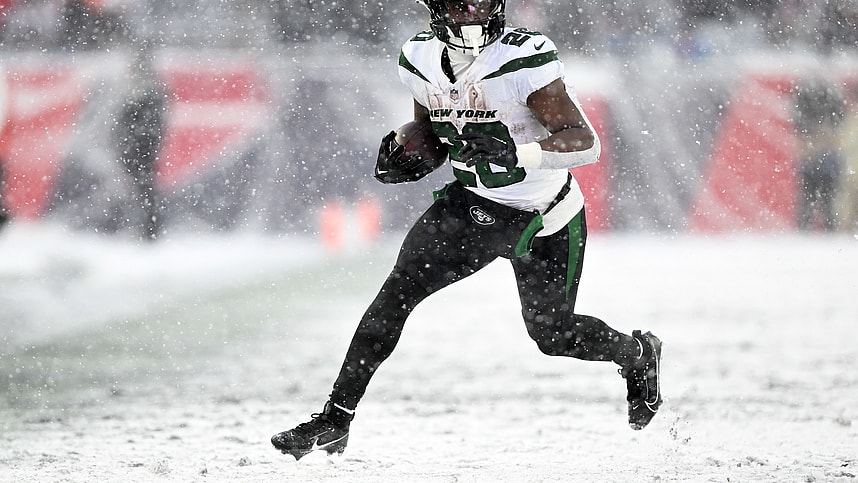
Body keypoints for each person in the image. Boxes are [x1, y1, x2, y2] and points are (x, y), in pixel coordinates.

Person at [271, 0, 662, 460]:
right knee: (395, 295)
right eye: (460, 3)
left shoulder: (523, 56)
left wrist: (518, 151)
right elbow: (433, 131)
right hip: (474, 204)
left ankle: (638, 355)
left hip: (544, 214)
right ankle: (336, 418)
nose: (473, 13)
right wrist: (413, 156)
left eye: (481, 1)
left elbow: (584, 141)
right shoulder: (419, 57)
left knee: (553, 335)